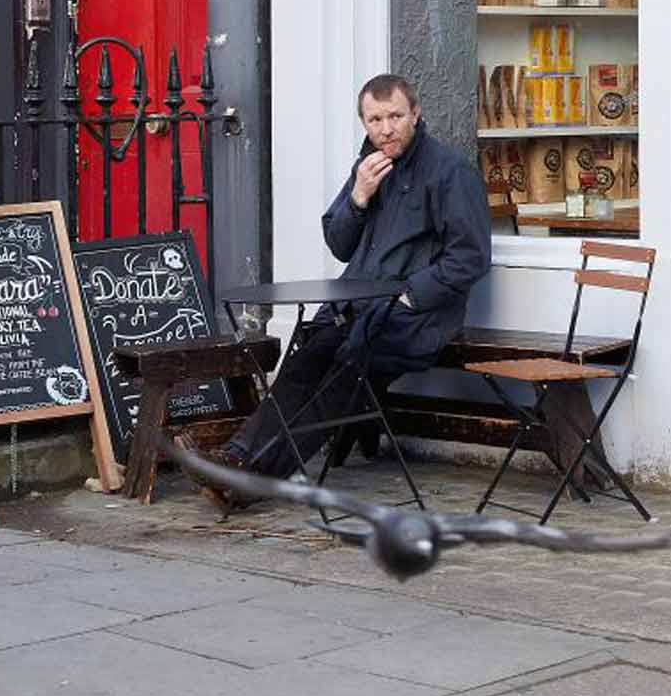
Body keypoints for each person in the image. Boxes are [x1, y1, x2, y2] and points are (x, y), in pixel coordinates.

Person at [203, 73, 491, 506]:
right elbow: (339, 244)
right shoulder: (369, 167)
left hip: (415, 320)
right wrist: (358, 197)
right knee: (307, 359)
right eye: (374, 119)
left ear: (415, 113)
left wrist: (410, 295)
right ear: (364, 122)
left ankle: (253, 477)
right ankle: (238, 457)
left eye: (395, 116)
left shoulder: (450, 172)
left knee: (342, 376)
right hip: (355, 309)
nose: (386, 128)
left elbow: (469, 257)